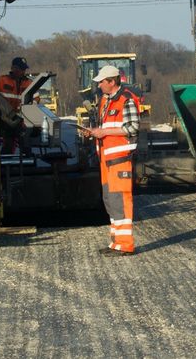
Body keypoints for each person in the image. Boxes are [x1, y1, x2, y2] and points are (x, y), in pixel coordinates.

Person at [82, 64, 140, 256]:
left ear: (112, 82)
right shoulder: (105, 101)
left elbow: (132, 128)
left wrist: (103, 132)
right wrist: (94, 133)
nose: (99, 86)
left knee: (120, 202)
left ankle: (125, 244)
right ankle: (116, 243)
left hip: (119, 159)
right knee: (111, 201)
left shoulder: (126, 100)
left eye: (102, 82)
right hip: (106, 159)